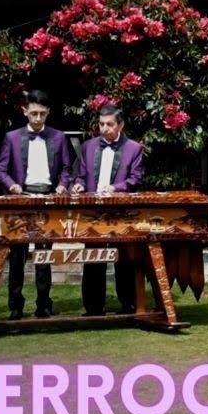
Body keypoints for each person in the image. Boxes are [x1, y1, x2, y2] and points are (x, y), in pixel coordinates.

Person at [0, 89, 72, 320]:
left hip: (47, 199)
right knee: (17, 257)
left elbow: (67, 169)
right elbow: (0, 169)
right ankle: (15, 306)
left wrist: (62, 185)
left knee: (44, 257)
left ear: (48, 113)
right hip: (21, 199)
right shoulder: (12, 137)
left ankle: (44, 304)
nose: (38, 118)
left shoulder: (58, 137)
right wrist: (11, 186)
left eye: (42, 114)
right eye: (34, 113)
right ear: (25, 111)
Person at [71, 104, 144, 316]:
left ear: (120, 124)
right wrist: (79, 185)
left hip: (121, 212)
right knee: (94, 258)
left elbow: (136, 179)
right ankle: (93, 307)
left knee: (124, 259)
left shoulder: (134, 148)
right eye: (101, 124)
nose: (105, 128)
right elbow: (81, 175)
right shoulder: (88, 146)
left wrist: (115, 188)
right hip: (93, 212)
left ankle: (128, 304)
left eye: (110, 124)